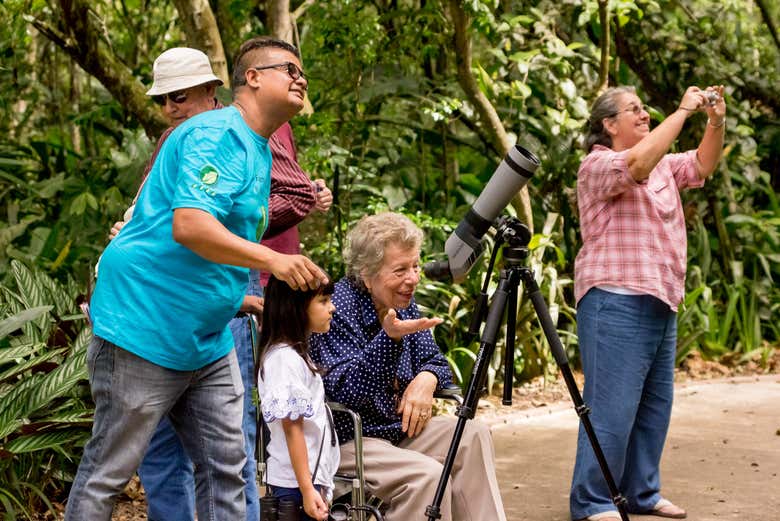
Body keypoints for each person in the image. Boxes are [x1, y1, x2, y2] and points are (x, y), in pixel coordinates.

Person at [65, 37, 327, 521]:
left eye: (301, 72)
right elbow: (190, 224)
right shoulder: (216, 135)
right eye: (288, 69)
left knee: (227, 467)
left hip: (204, 340)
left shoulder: (258, 147)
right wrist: (274, 262)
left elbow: (211, 246)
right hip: (144, 329)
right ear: (252, 77)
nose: (300, 79)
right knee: (109, 472)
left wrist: (241, 302)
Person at [570, 85, 726, 521]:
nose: (643, 114)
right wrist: (681, 112)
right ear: (608, 124)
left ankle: (641, 492)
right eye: (632, 110)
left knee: (654, 408)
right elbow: (637, 163)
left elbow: (702, 163)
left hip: (661, 297)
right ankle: (592, 501)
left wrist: (715, 120)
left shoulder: (663, 168)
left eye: (644, 108)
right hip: (614, 299)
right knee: (610, 408)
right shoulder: (597, 164)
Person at [309, 212, 507, 521]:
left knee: (472, 435)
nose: (413, 278)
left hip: (396, 430)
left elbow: (435, 361)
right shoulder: (337, 308)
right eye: (400, 269)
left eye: (415, 266)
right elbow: (345, 393)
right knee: (426, 476)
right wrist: (389, 339)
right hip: (350, 439)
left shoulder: (401, 301)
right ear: (367, 274)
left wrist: (426, 380)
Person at [257, 275, 339, 521]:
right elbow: (292, 428)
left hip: (307, 481)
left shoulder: (295, 356)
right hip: (295, 486)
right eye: (323, 301)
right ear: (296, 308)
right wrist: (306, 489)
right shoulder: (284, 360)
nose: (332, 307)